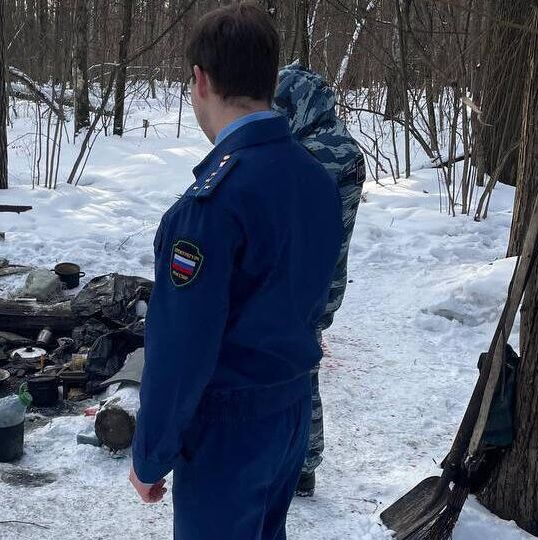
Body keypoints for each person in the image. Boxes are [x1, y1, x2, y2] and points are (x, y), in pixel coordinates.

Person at [128, 4, 343, 539]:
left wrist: (151, 454)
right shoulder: (315, 178)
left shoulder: (211, 205)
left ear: (199, 80)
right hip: (290, 411)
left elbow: (181, 348)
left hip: (230, 430)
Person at [273, 64, 367, 497]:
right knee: (301, 361)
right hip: (324, 280)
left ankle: (302, 463)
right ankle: (302, 461)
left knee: (298, 368)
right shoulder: (338, 144)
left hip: (305, 284)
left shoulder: (318, 153)